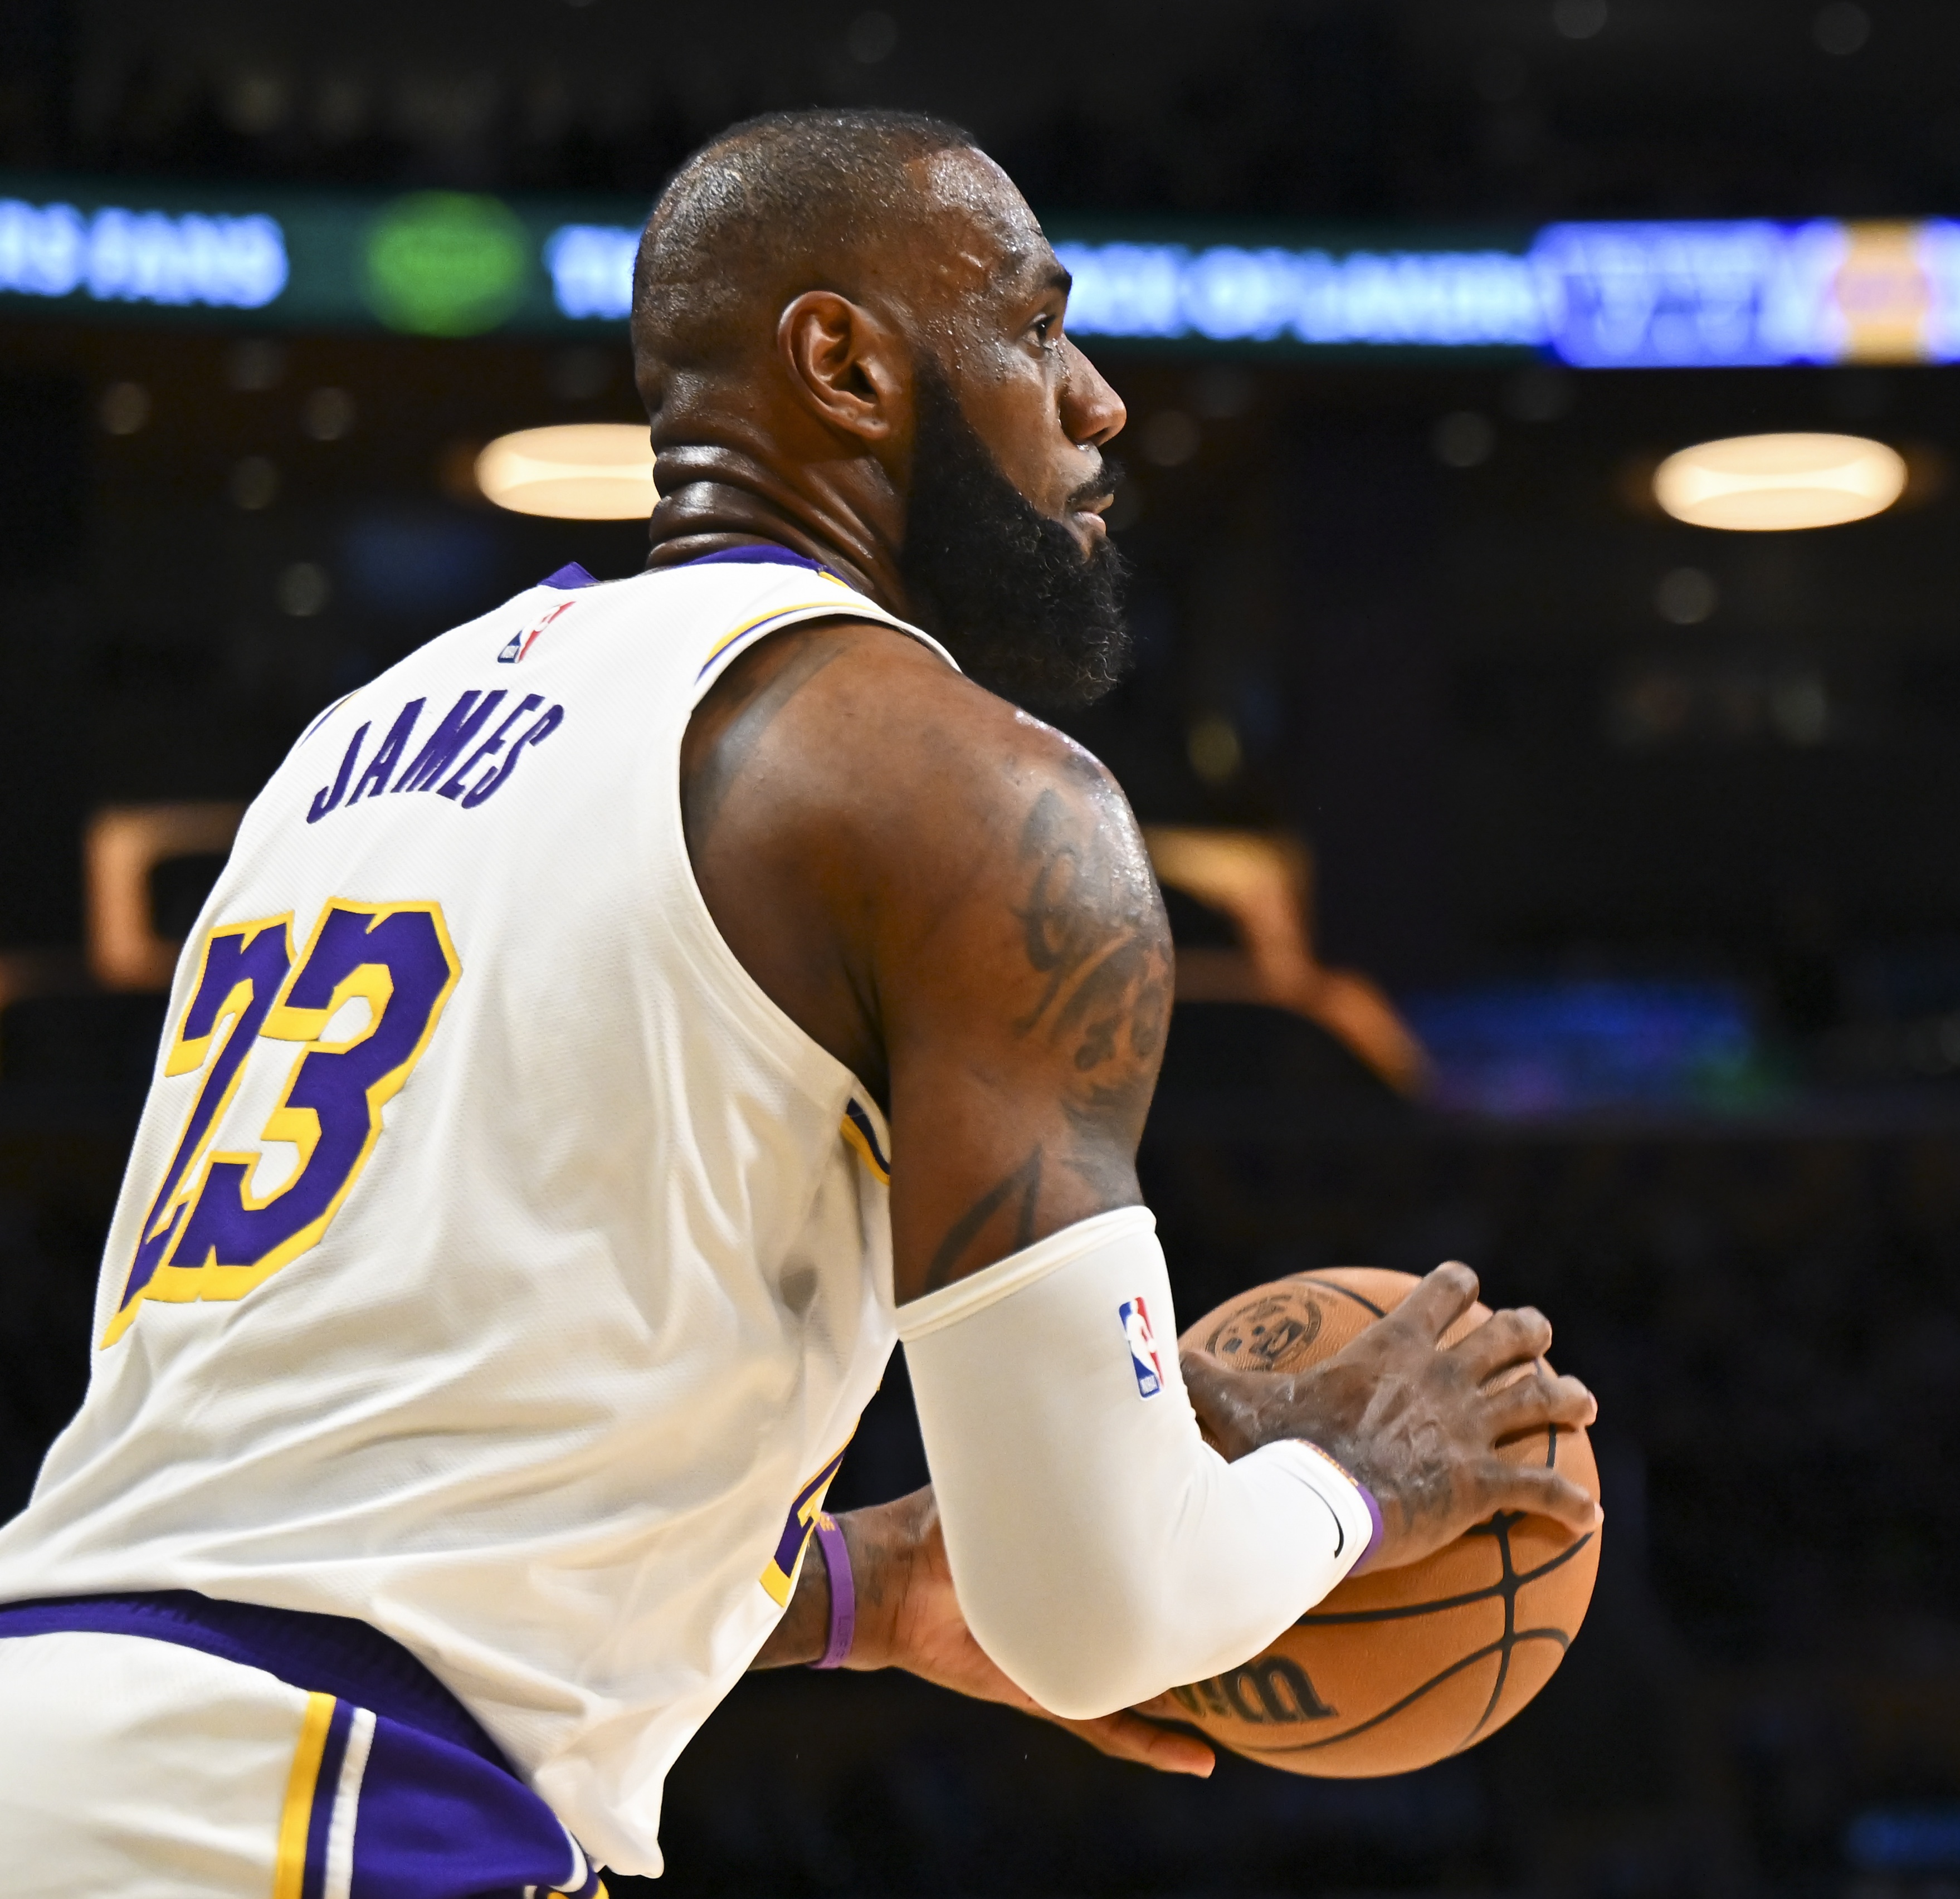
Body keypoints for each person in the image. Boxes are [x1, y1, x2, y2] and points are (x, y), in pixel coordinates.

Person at [0, 106, 1600, 1896]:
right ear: (842, 362)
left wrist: (863, 1586)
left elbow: (362, 1481)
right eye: (1034, 326)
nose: (1097, 402)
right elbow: (1097, 1614)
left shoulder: (347, 751)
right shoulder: (960, 786)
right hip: (311, 1819)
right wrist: (1367, 1480)